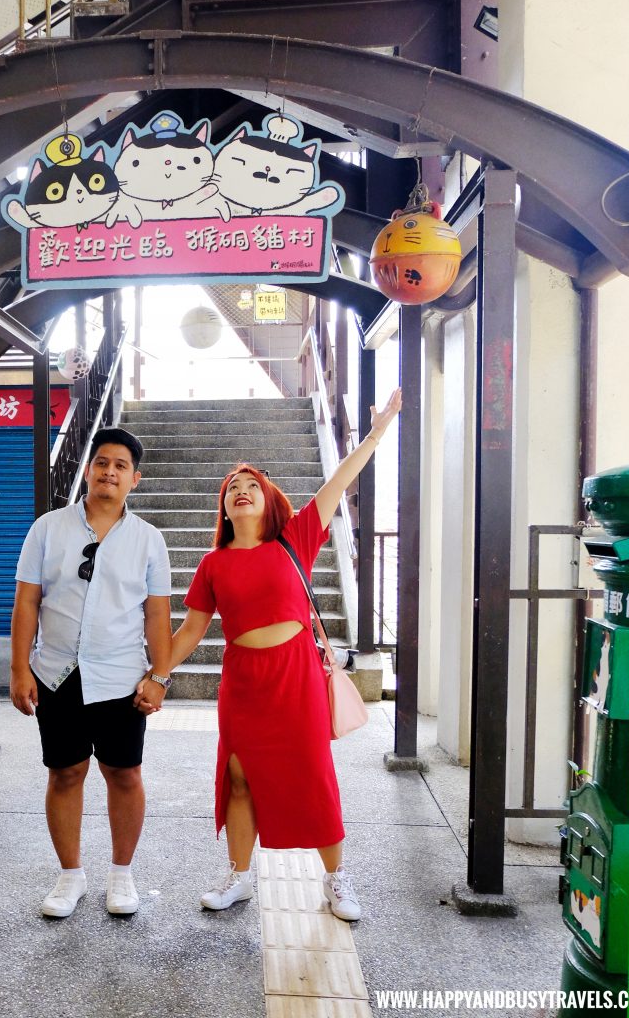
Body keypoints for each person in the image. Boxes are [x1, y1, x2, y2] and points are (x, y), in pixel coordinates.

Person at [167, 389, 402, 920]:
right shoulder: (212, 564)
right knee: (240, 775)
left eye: (253, 486)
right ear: (224, 507)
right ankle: (240, 876)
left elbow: (338, 482)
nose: (242, 491)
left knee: (313, 774)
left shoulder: (295, 538)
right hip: (243, 682)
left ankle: (336, 879)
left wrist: (377, 432)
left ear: (269, 501)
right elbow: (189, 633)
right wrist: (156, 674)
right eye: (233, 488)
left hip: (295, 674)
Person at [10, 428, 172, 919]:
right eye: (102, 462)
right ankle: (70, 875)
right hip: (57, 671)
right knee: (65, 772)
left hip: (121, 677)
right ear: (88, 470)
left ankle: (122, 874)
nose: (109, 471)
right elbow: (27, 601)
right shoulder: (48, 528)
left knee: (124, 773)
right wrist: (19, 668)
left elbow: (158, 616)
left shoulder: (149, 539)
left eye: (121, 465)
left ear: (135, 479)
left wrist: (158, 677)